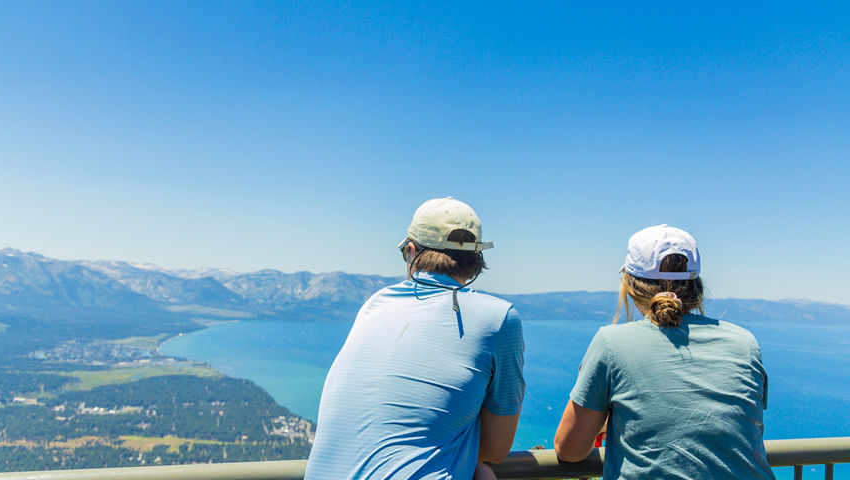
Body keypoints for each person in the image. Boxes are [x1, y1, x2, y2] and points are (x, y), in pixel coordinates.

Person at [305, 197, 525, 480]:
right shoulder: (499, 318)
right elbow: (494, 451)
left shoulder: (376, 303)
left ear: (411, 251)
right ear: (477, 259)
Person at [554, 224, 775, 479]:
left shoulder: (611, 343)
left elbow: (568, 450)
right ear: (697, 287)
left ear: (630, 285)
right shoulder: (744, 342)